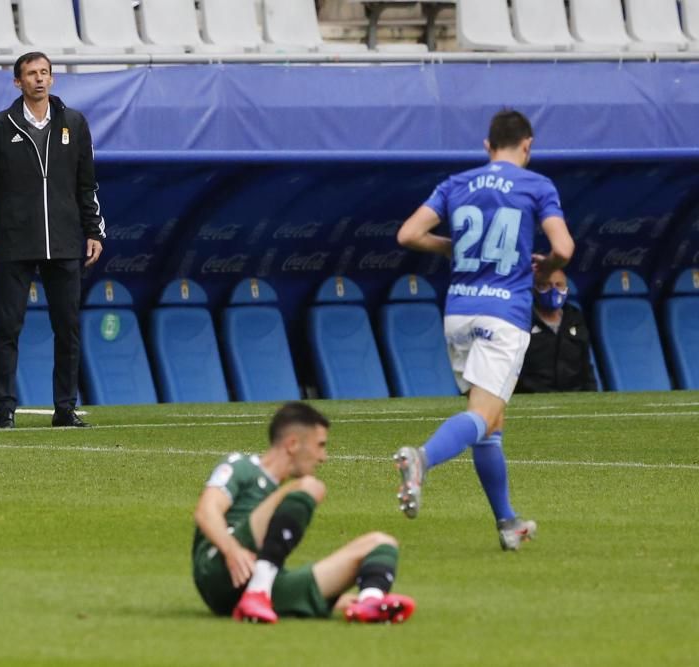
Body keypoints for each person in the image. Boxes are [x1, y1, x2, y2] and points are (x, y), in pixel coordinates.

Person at [394, 109, 575, 550]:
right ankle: (422, 459)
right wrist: (544, 267)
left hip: (459, 312)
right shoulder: (536, 185)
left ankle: (507, 523)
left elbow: (408, 235)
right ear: (528, 145)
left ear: (486, 146)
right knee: (483, 416)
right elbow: (564, 249)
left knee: (491, 424)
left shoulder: (457, 183)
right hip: (503, 313)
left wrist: (454, 249)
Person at [0, 51, 106, 429]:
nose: (39, 79)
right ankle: (6, 410)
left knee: (68, 328)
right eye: (31, 74)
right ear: (18, 82)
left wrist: (94, 230)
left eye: (45, 72)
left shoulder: (74, 123)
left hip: (64, 242)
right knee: (8, 327)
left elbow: (86, 184)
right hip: (15, 242)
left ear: (53, 78)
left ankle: (65, 408)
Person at [192, 402, 416, 624]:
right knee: (311, 486)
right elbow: (206, 511)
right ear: (292, 444)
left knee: (382, 544)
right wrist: (232, 550)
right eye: (320, 445)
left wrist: (334, 599)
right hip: (218, 568)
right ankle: (258, 592)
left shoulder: (281, 497)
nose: (323, 457)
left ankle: (369, 602)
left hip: (254, 582)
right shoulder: (242, 467)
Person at [516, 269, 598, 393]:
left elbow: (586, 365)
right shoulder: (522, 318)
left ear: (567, 289)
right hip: (532, 396)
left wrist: (593, 396)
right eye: (546, 285)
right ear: (534, 288)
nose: (553, 290)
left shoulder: (574, 316)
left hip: (574, 396)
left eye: (559, 285)